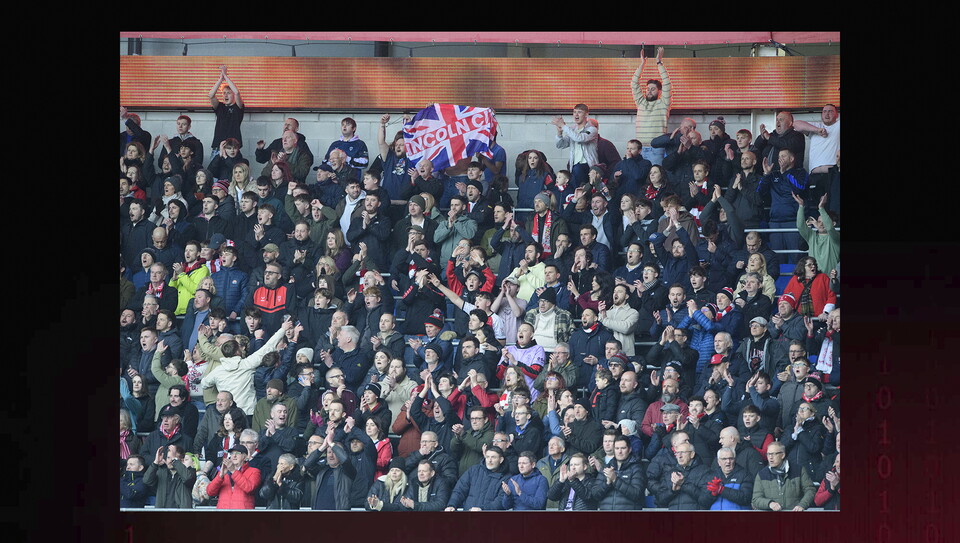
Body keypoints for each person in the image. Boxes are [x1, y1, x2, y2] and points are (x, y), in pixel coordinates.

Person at [200, 320, 292, 417]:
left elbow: (204, 383)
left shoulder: (218, 371)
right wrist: (283, 329)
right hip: (248, 413)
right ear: (237, 351)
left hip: (228, 415)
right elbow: (268, 347)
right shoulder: (247, 364)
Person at [758, 148, 808, 262]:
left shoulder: (800, 172)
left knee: (797, 259)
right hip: (775, 222)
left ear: (792, 159)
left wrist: (786, 173)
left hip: (794, 221)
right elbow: (760, 192)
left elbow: (799, 187)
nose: (780, 159)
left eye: (783, 156)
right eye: (779, 157)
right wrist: (766, 175)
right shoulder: (773, 174)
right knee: (777, 260)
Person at [751, 441, 815, 511]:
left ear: (782, 455)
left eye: (774, 454)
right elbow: (756, 499)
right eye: (768, 454)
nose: (770, 457)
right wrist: (769, 503)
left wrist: (802, 505)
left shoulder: (798, 470)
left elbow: (810, 490)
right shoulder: (762, 474)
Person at [444, 446, 510, 511]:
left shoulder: (506, 478)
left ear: (501, 460)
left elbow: (500, 501)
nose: (489, 460)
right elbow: (459, 490)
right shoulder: (473, 470)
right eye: (487, 457)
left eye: (493, 457)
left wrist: (482, 509)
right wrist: (452, 505)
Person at [794, 193, 840, 278]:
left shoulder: (835, 237)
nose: (821, 224)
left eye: (824, 222)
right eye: (819, 222)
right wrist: (801, 206)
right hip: (814, 279)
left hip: (831, 279)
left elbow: (829, 228)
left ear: (833, 223)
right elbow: (800, 226)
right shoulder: (812, 236)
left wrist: (821, 208)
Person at [552, 104, 598, 187]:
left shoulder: (592, 129)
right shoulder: (572, 130)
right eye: (574, 112)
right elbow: (560, 145)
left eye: (579, 112)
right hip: (574, 167)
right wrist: (559, 132)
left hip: (588, 166)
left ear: (586, 114)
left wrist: (563, 126)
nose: (576, 115)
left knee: (581, 184)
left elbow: (580, 138)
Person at [205, 443, 261, 509]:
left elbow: (249, 488)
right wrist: (220, 477)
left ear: (245, 457)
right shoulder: (223, 472)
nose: (234, 456)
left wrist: (233, 471)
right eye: (232, 453)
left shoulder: (254, 471)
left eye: (237, 453)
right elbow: (210, 492)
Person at [783, 256, 837, 320]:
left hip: (820, 319)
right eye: (809, 265)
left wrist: (826, 312)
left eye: (814, 264)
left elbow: (831, 296)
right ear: (803, 267)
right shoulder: (794, 280)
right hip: (799, 320)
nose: (813, 266)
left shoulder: (823, 278)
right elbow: (787, 298)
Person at [207, 65, 245, 157]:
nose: (226, 95)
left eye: (228, 93)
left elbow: (237, 92)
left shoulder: (238, 107)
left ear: (233, 95)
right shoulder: (220, 106)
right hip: (218, 148)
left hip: (232, 149)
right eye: (224, 93)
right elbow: (211, 95)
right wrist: (221, 78)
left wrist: (226, 76)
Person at [143, 444, 195, 508]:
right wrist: (155, 463)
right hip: (163, 513)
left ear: (182, 460)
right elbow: (147, 481)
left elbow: (188, 479)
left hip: (181, 513)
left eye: (173, 457)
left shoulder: (190, 472)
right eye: (168, 457)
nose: (170, 460)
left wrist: (175, 461)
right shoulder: (161, 472)